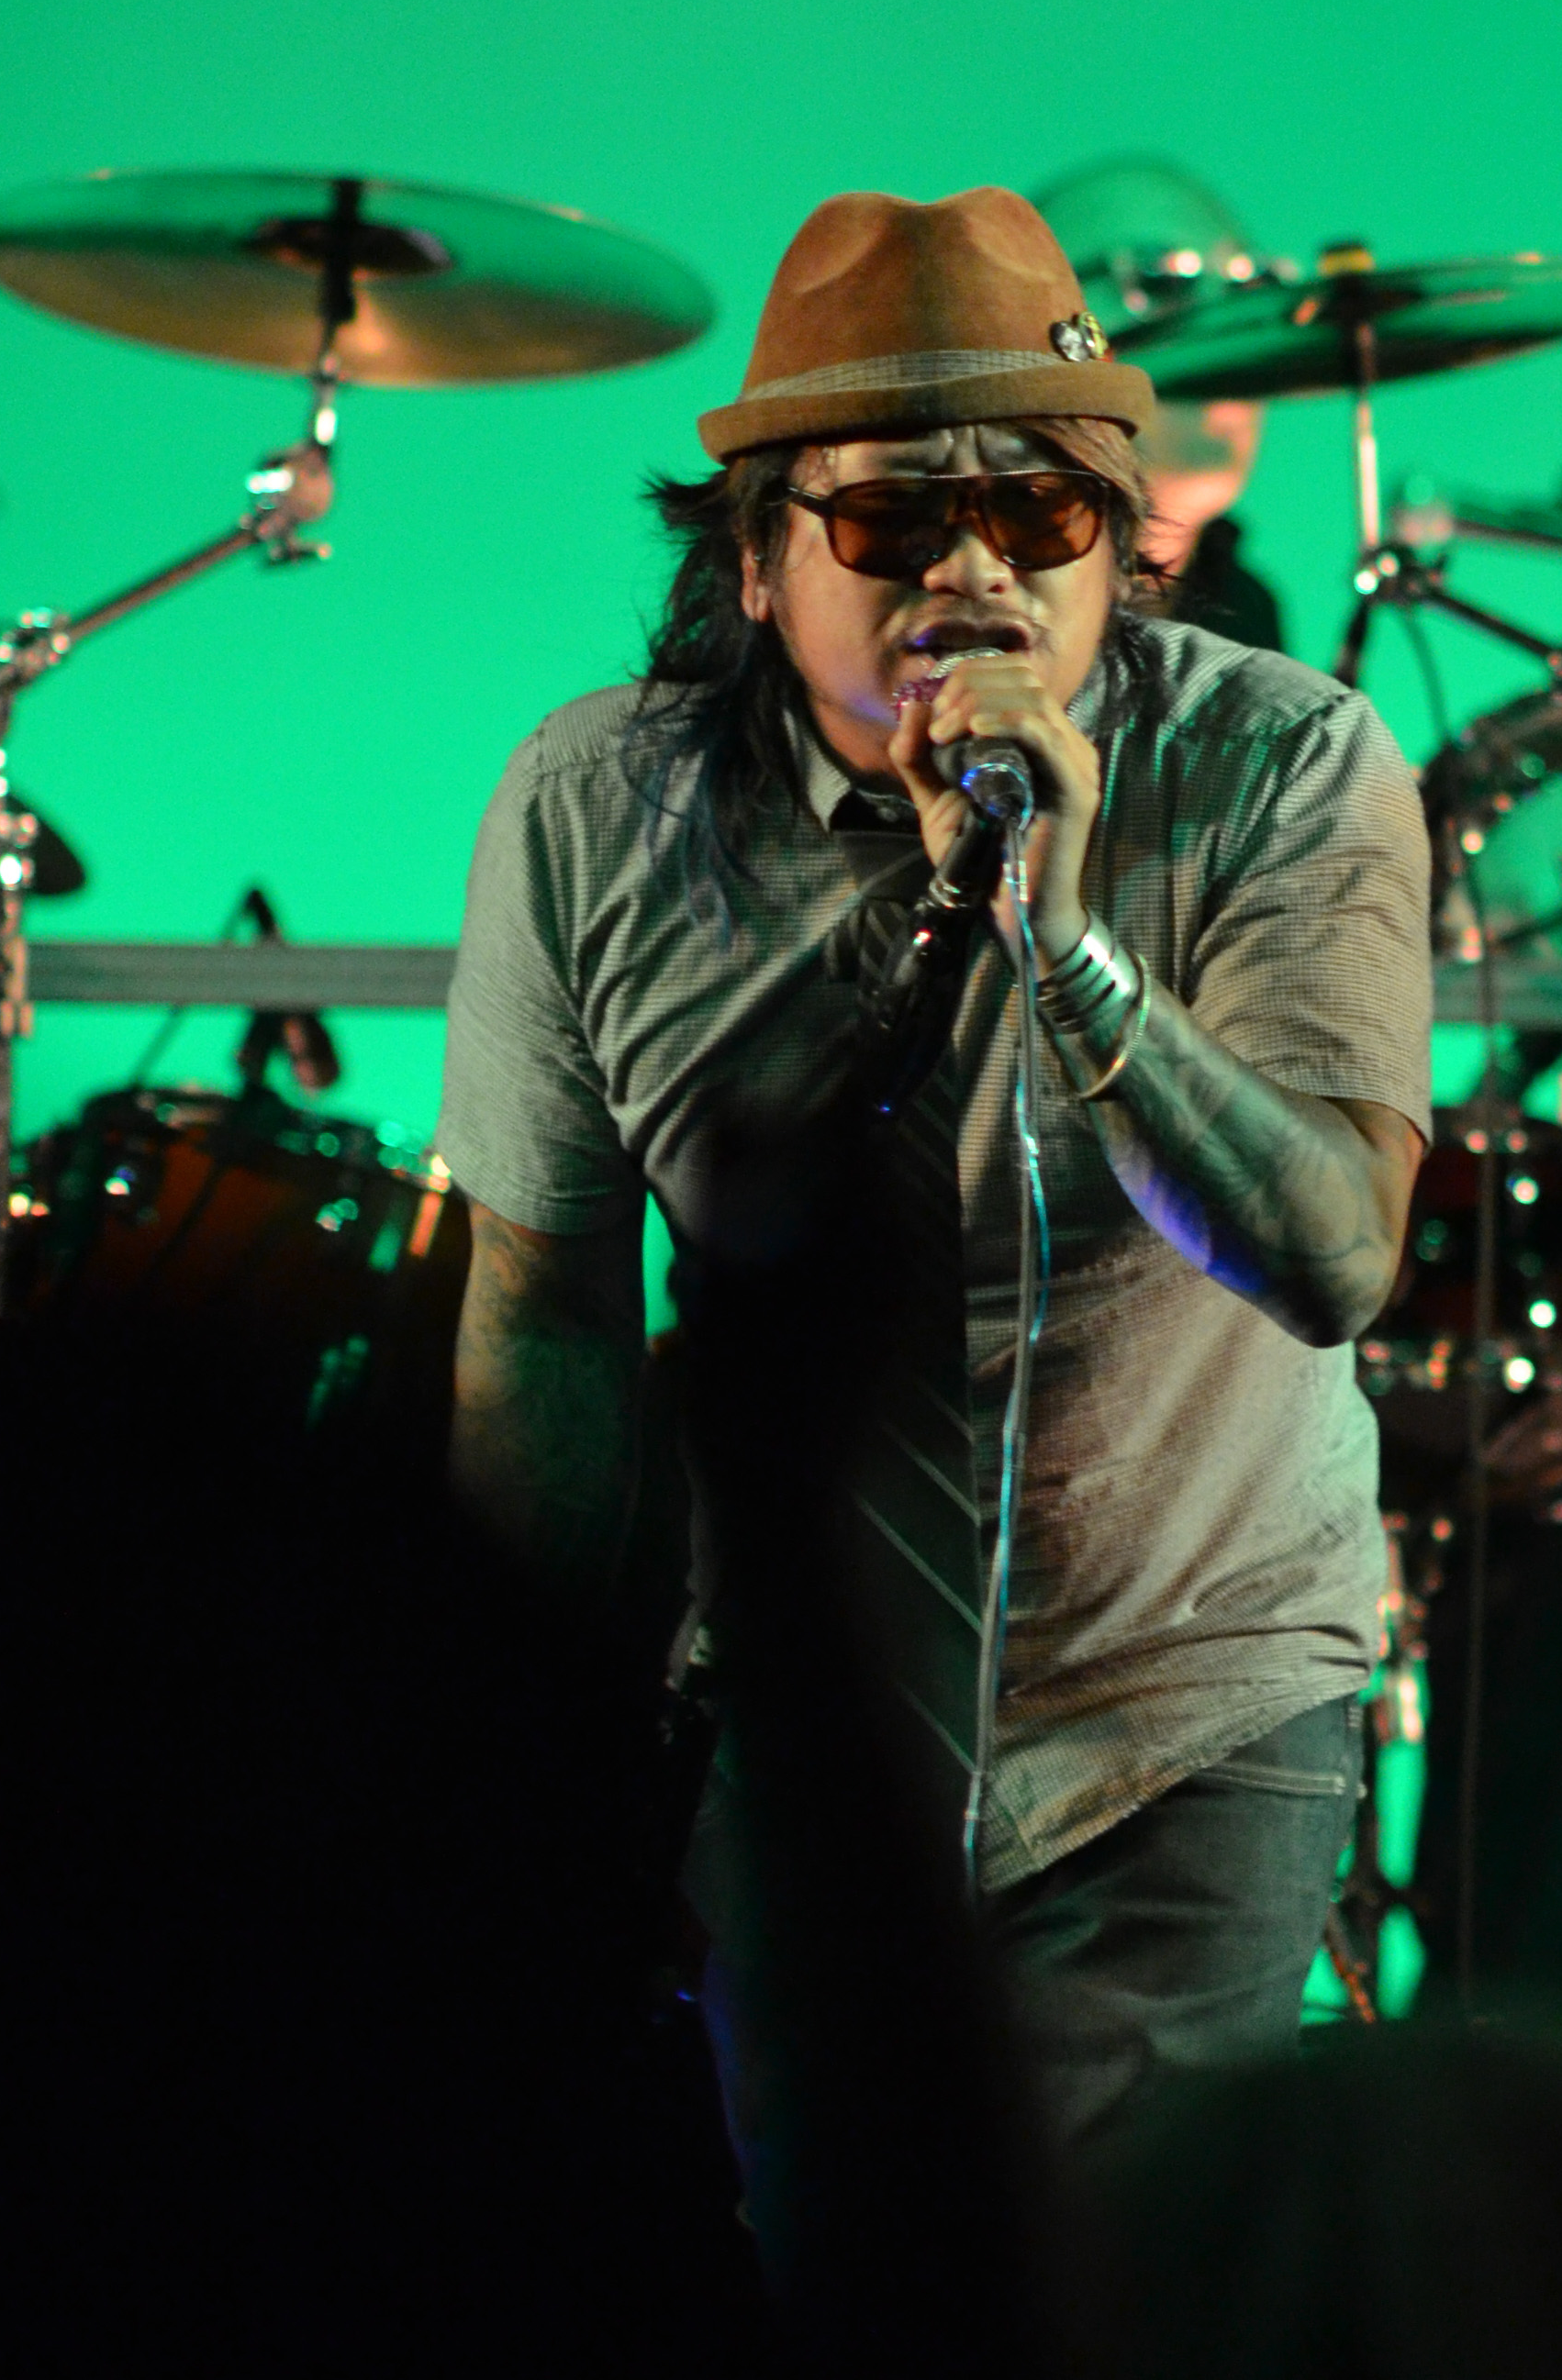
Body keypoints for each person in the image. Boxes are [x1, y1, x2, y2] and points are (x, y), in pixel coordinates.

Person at [441, 185, 1431, 2146]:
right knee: (824, 2299)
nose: (974, 566)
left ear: (1121, 545)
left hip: (1183, 1707)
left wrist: (1066, 940)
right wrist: (515, 1752)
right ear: (754, 561)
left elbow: (1329, 1256)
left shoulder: (1282, 764)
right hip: (798, 1732)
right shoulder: (599, 810)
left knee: (1112, 2309)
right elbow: (538, 1319)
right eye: (894, 518)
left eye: (1041, 511)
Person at [1030, 150, 1289, 651]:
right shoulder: (947, 588)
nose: (1222, 326)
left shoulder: (1246, 609)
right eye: (1161, 282)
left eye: (1248, 288)